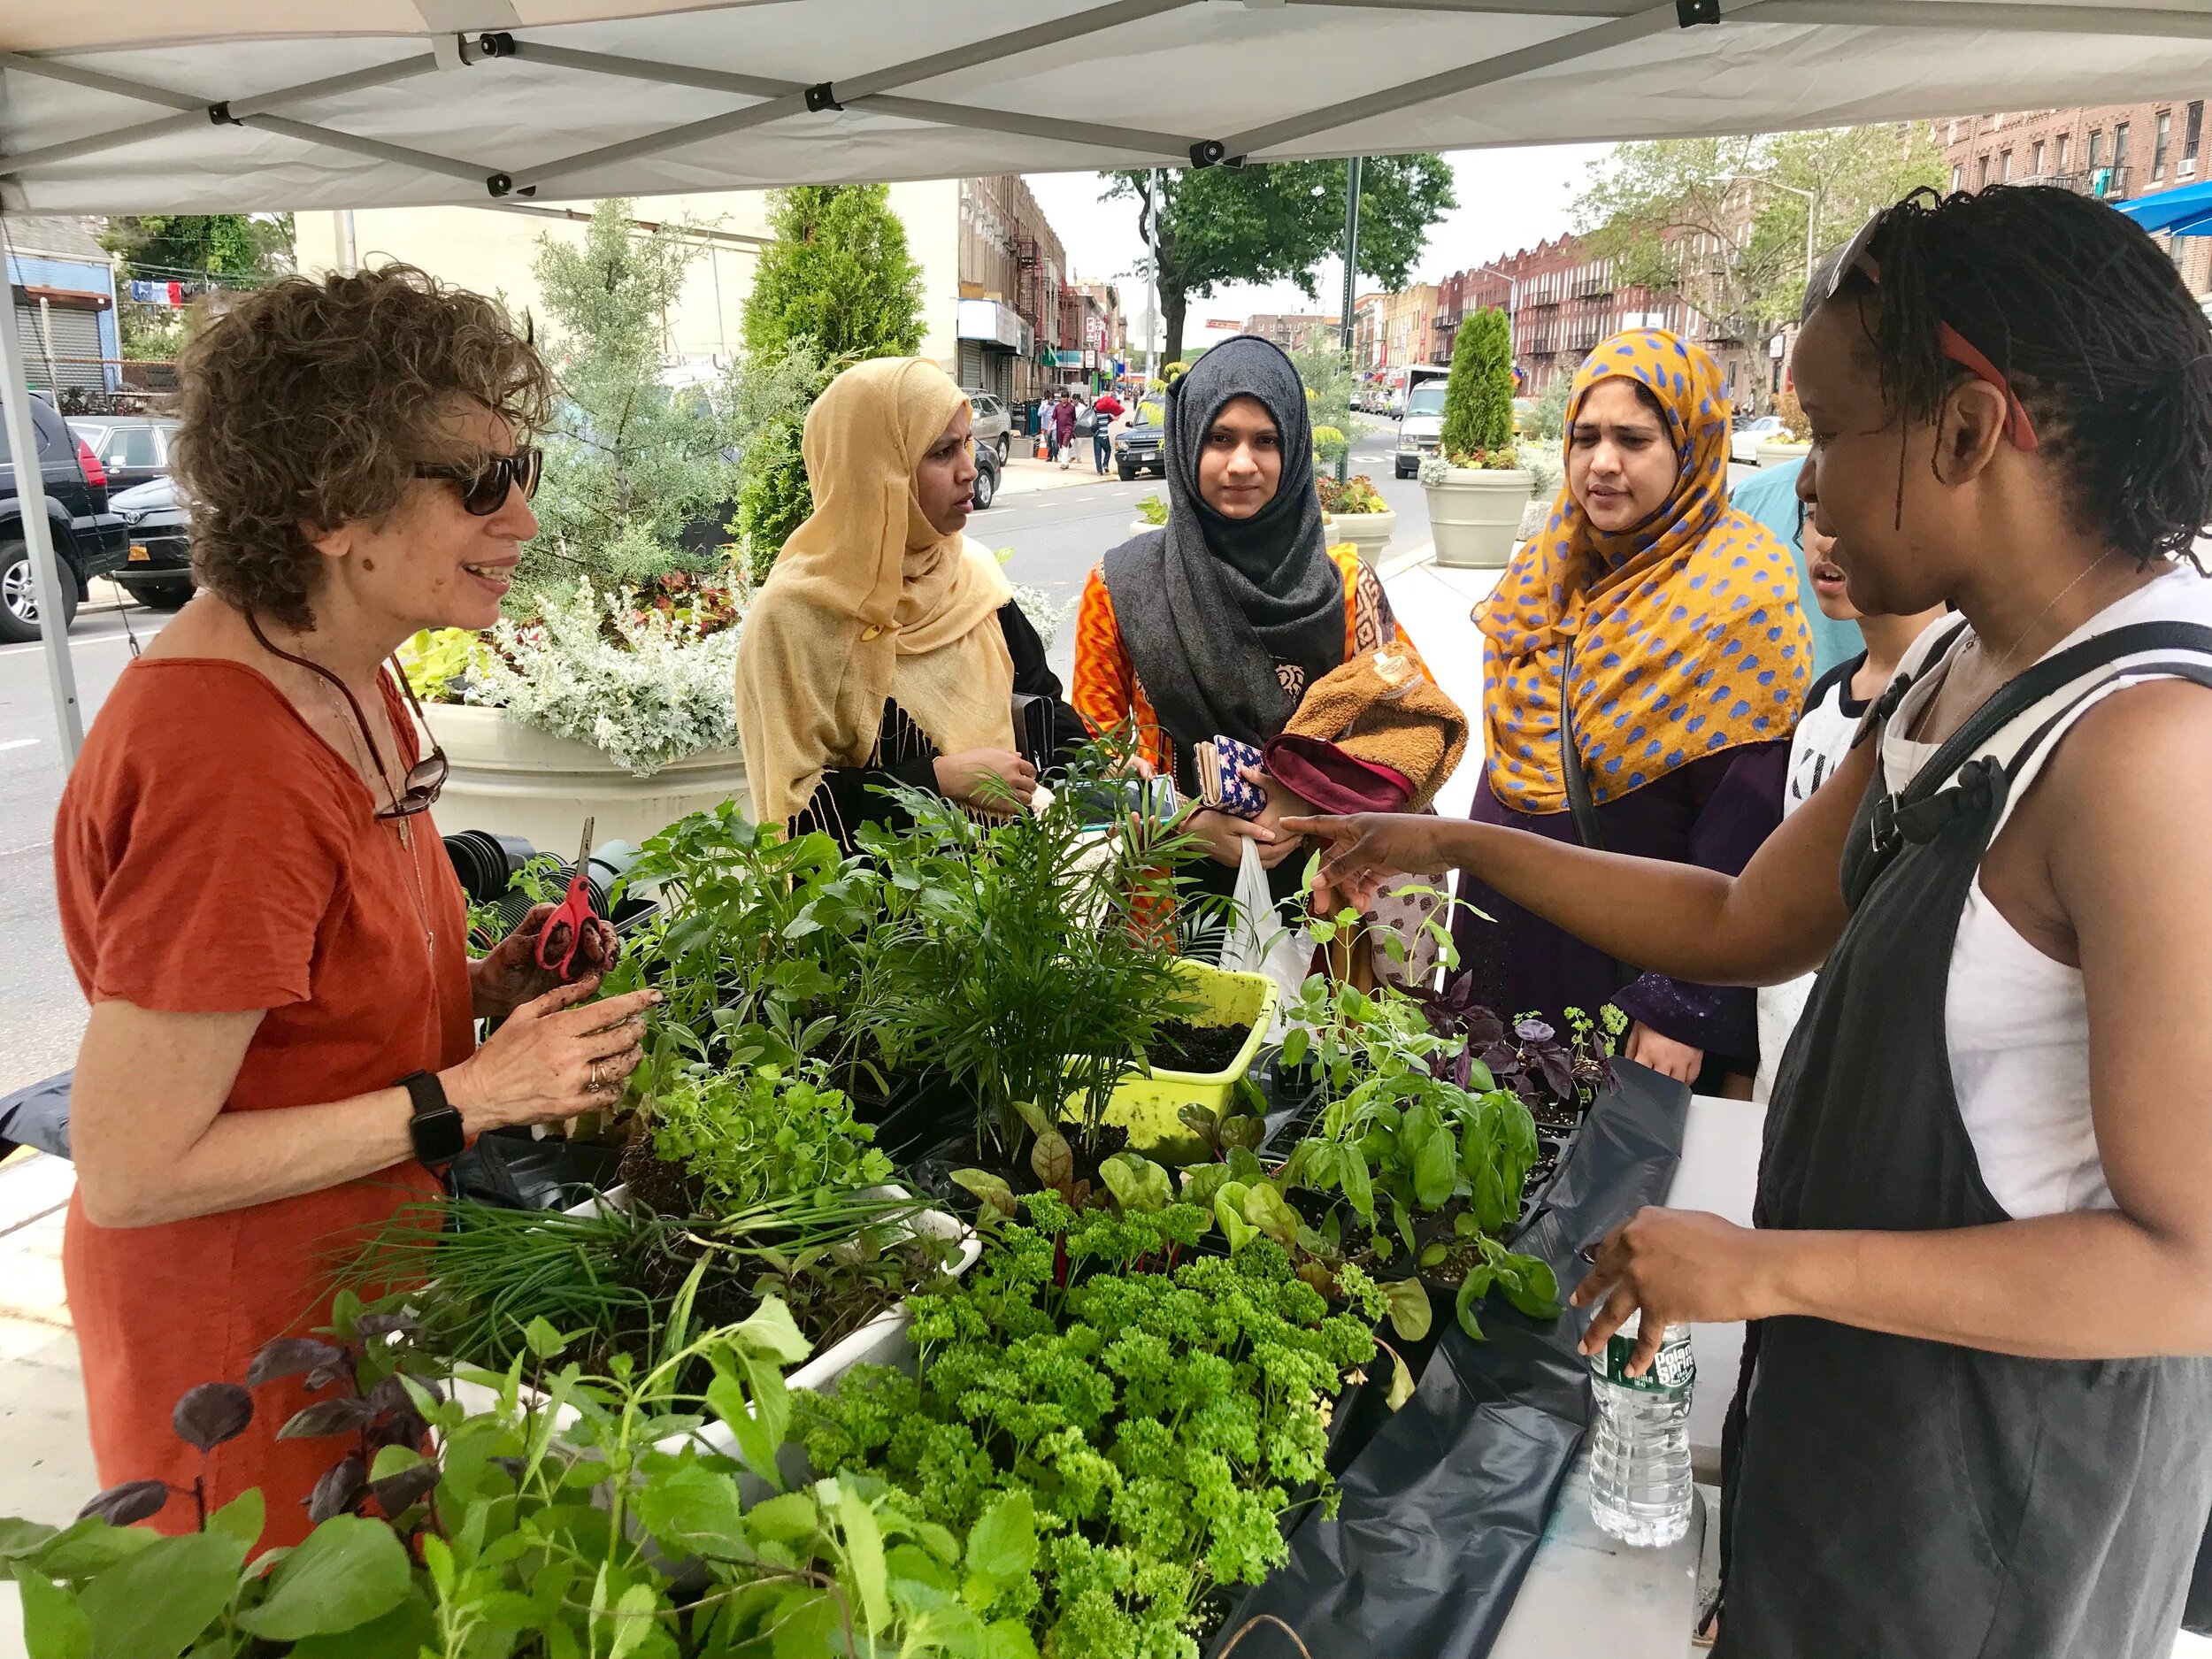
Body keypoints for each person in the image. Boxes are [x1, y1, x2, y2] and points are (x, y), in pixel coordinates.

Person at [1288, 183, 2212, 1658]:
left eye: (1834, 432)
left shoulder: (2153, 749)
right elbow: (1737, 915)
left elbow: (2189, 1270)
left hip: (1999, 1523)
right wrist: (1446, 836)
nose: (1811, 491)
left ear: (1972, 431)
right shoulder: (1968, 667)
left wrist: (1768, 1263)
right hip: (1859, 1446)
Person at [55, 265, 657, 1542]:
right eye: (480, 481)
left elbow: (304, 998)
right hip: (242, 1355)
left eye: (525, 464)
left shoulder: (343, 669)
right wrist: (476, 1095)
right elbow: (129, 1163)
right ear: (334, 503)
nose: (526, 518)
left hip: (353, 1291)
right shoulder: (230, 753)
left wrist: (478, 990)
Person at [1448, 328, 1812, 1090]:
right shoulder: (1547, 571)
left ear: (1692, 445)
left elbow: (1745, 825)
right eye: (1584, 437)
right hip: (1502, 938)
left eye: (1634, 439)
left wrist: (1683, 1002)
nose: (1601, 463)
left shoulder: (1741, 593)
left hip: (1631, 977)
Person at [1071, 334, 1436, 922]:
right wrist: (1184, 824)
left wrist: (1306, 791)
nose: (1242, 463)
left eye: (1265, 441)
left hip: (1324, 910)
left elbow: (1415, 737)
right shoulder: (1122, 586)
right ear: (1188, 442)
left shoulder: (1346, 589)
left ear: (1292, 453)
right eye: (1221, 438)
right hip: (1158, 917)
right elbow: (1089, 765)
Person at [734, 357, 1087, 849]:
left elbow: (1041, 705)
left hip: (1008, 900)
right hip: (885, 918)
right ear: (878, 471)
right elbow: (794, 816)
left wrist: (1109, 769)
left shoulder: (972, 576)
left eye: (965, 442)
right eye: (941, 452)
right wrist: (938, 780)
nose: (970, 469)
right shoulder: (793, 621)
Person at [1751, 516, 1945, 1101]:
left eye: (1844, 512)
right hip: (1784, 1060)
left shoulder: (1952, 700)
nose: (1825, 539)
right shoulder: (1823, 697)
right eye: (1811, 513)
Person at [1092, 387, 1125, 474]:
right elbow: (1116, 418)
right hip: (1104, 437)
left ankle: (1099, 471)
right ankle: (1105, 464)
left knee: (1097, 454)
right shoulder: (1107, 414)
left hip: (1096, 437)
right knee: (1108, 450)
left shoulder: (1095, 415)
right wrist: (1119, 412)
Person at [1059, 392, 1085, 471]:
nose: (1074, 402)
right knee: (1071, 442)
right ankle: (1073, 456)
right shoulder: (1070, 406)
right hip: (1070, 426)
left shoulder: (1082, 407)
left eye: (1075, 401)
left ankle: (1078, 457)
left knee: (1079, 442)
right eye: (1073, 401)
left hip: (1079, 426)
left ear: (1078, 400)